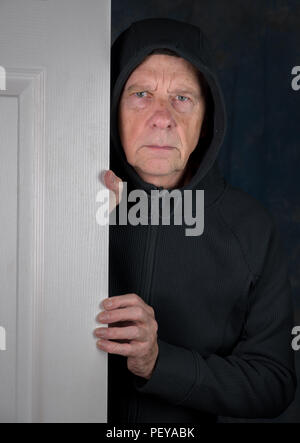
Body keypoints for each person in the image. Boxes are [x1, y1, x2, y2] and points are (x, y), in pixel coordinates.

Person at [94, 17, 297, 423]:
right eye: (141, 94)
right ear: (112, 107)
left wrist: (158, 362)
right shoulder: (60, 205)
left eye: (182, 98)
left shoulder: (251, 229)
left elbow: (273, 382)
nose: (162, 117)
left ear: (206, 122)